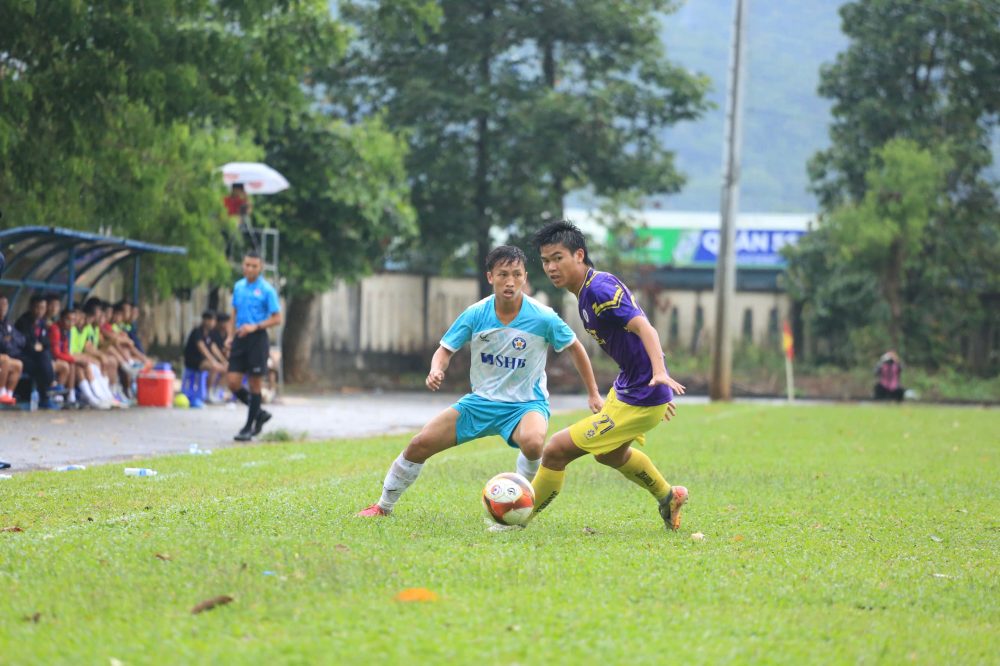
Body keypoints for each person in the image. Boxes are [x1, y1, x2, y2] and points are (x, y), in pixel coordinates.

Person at [357, 245, 603, 519]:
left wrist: (593, 393)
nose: (510, 282)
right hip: (480, 403)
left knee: (534, 443)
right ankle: (382, 506)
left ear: (525, 277)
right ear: (490, 277)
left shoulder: (543, 317)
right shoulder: (476, 313)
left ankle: (520, 507)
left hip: (526, 405)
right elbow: (445, 349)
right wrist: (436, 369)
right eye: (503, 274)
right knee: (419, 444)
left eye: (516, 274)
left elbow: (575, 347)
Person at [529, 221, 689, 531]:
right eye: (546, 260)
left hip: (642, 395)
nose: (551, 267)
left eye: (558, 258)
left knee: (555, 450)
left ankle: (518, 515)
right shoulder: (586, 291)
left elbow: (644, 327)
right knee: (609, 455)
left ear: (579, 255)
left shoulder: (600, 288)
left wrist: (659, 375)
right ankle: (669, 496)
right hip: (631, 388)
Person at [226, 250, 281, 441]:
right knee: (232, 382)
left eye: (254, 266)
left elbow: (277, 318)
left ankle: (248, 427)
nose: (249, 268)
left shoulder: (267, 290)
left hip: (257, 339)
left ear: (260, 268)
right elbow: (233, 312)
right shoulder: (238, 286)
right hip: (240, 338)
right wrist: (229, 335)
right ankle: (259, 414)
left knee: (254, 383)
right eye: (247, 264)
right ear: (243, 265)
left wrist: (255, 326)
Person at [14, 295, 59, 409]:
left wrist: (39, 347)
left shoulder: (42, 323)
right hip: (23, 356)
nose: (40, 311)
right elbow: (25, 344)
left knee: (43, 359)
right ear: (31, 307)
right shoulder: (23, 322)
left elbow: (46, 344)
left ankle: (45, 396)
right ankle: (49, 385)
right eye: (38, 307)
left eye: (43, 308)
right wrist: (37, 346)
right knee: (41, 364)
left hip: (38, 357)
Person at [184, 310, 227, 402]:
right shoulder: (197, 332)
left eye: (214, 320)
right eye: (211, 320)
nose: (213, 323)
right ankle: (208, 393)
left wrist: (224, 361)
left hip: (204, 361)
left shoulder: (210, 333)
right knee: (214, 367)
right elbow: (202, 348)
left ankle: (217, 392)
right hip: (194, 361)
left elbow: (213, 348)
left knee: (227, 369)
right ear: (205, 320)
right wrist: (213, 362)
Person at [0, 293, 23, 406]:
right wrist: (7, 342)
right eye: (1, 304)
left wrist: (10, 339)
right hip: (2, 357)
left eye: (5, 304)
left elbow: (21, 340)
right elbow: (2, 343)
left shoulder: (7, 323)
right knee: (5, 359)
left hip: (5, 356)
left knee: (18, 364)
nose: (2, 307)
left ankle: (9, 395)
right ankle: (1, 393)